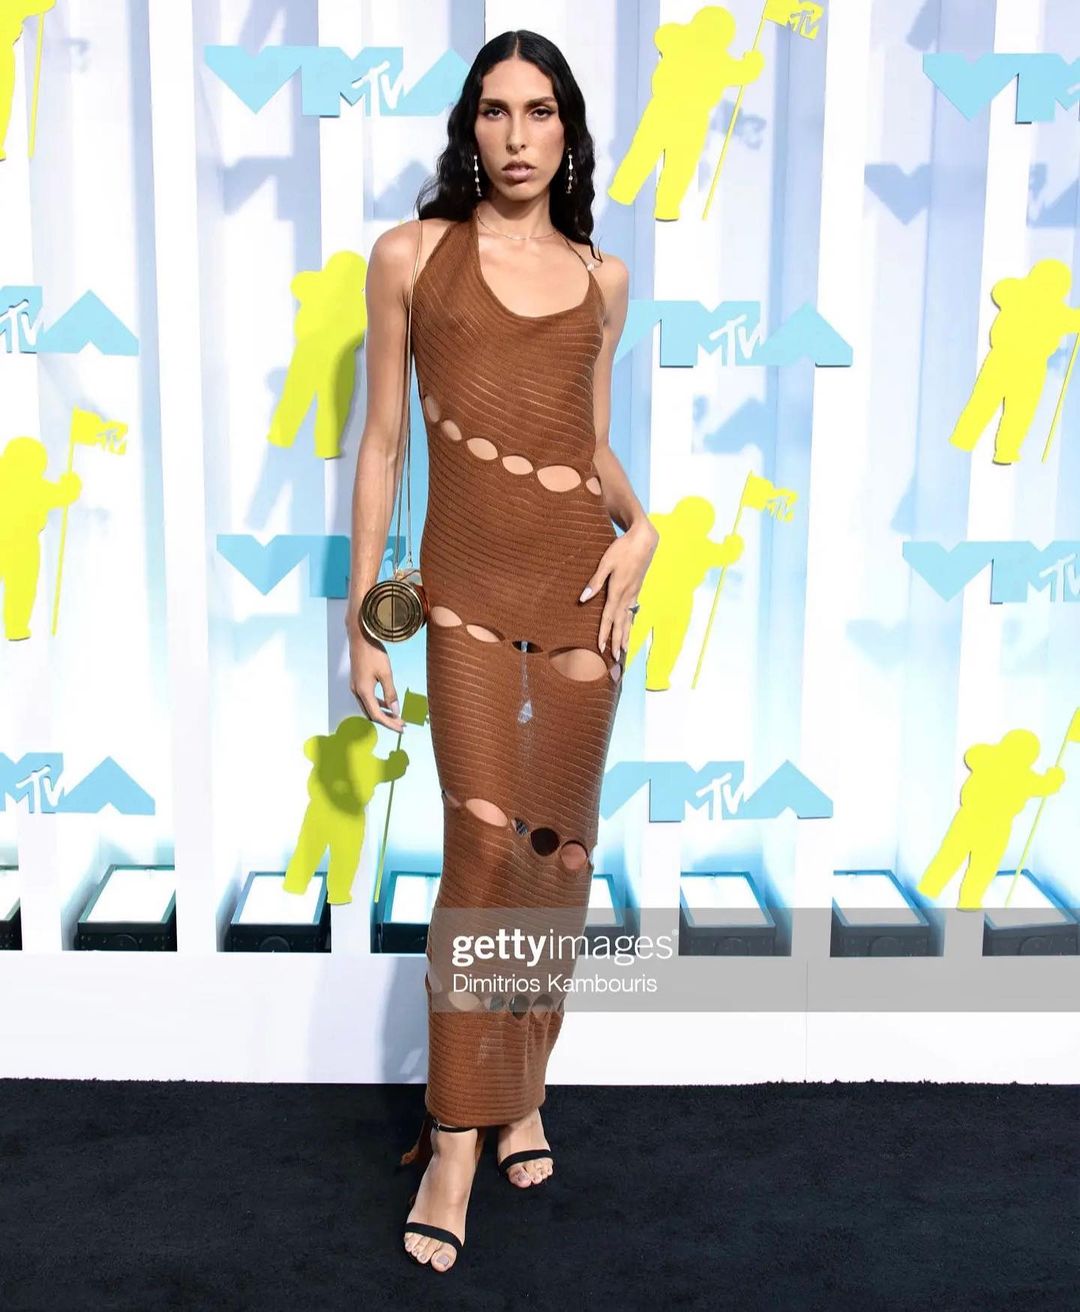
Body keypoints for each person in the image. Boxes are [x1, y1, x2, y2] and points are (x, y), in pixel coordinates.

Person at [346, 30, 658, 1273]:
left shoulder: (603, 277)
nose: (517, 136)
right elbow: (382, 444)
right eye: (494, 111)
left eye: (539, 112)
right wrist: (363, 614)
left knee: (553, 859)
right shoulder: (411, 257)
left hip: (582, 591)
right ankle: (455, 1134)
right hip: (466, 592)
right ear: (467, 128)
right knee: (480, 851)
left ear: (567, 130)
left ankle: (521, 1087)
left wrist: (648, 528)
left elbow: (588, 442)